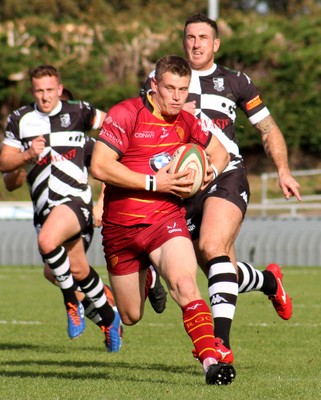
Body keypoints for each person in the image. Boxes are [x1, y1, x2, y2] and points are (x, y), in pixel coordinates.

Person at [90, 54, 236, 385]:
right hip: (120, 228)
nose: (176, 97)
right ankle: (149, 279)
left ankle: (210, 363)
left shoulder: (188, 121)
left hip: (165, 222)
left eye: (183, 90)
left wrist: (207, 173)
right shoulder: (126, 114)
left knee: (186, 284)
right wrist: (155, 182)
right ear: (154, 85)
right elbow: (100, 166)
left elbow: (222, 154)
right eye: (169, 88)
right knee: (130, 315)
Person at [180, 13, 302, 363]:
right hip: (184, 186)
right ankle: (268, 282)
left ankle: (220, 345)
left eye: (204, 37)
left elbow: (267, 128)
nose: (196, 43)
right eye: (190, 37)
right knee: (216, 268)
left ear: (216, 44)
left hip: (226, 174)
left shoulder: (236, 82)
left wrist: (283, 170)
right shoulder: (165, 80)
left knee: (212, 245)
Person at [0, 65, 123, 351]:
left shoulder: (79, 111)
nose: (45, 97)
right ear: (33, 92)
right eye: (39, 91)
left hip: (75, 202)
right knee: (76, 269)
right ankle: (108, 317)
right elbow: (5, 165)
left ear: (59, 88)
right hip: (44, 210)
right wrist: (27, 155)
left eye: (49, 90)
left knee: (47, 242)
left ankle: (71, 303)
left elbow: (114, 127)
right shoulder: (20, 119)